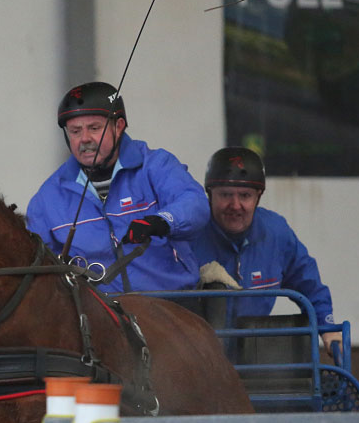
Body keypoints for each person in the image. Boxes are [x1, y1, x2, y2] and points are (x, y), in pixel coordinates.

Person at [26, 81, 209, 294]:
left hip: (171, 303)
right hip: (101, 317)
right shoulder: (48, 197)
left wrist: (161, 221)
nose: (84, 139)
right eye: (75, 131)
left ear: (118, 126)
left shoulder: (155, 165)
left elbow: (195, 202)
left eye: (94, 128)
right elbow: (34, 264)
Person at [190, 146, 342, 354]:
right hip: (197, 356)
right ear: (209, 195)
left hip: (255, 355)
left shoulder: (276, 233)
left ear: (258, 197)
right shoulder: (189, 235)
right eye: (225, 194)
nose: (235, 205)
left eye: (245, 195)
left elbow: (309, 284)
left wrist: (328, 328)